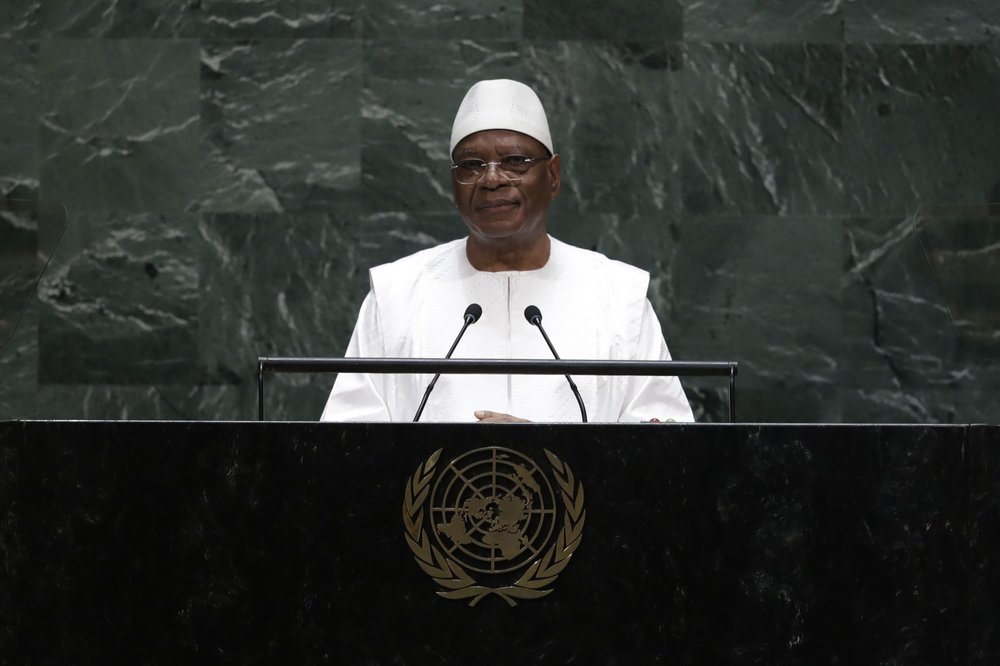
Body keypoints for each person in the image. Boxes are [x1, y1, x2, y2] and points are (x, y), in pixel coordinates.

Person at [320, 79, 693, 423]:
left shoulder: (617, 297)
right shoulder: (396, 295)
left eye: (515, 162)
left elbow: (664, 453)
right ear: (453, 186)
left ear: (553, 176)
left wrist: (543, 456)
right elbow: (348, 447)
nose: (492, 179)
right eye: (471, 165)